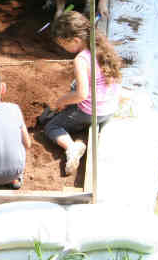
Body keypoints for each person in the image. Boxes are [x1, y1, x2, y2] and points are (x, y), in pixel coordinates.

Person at [45, 11, 121, 175]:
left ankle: (71, 148)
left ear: (76, 40)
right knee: (75, 84)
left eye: (64, 44)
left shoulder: (81, 60)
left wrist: (61, 101)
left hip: (91, 111)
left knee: (52, 126)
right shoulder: (101, 47)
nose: (63, 48)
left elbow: (81, 94)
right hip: (109, 106)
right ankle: (81, 140)